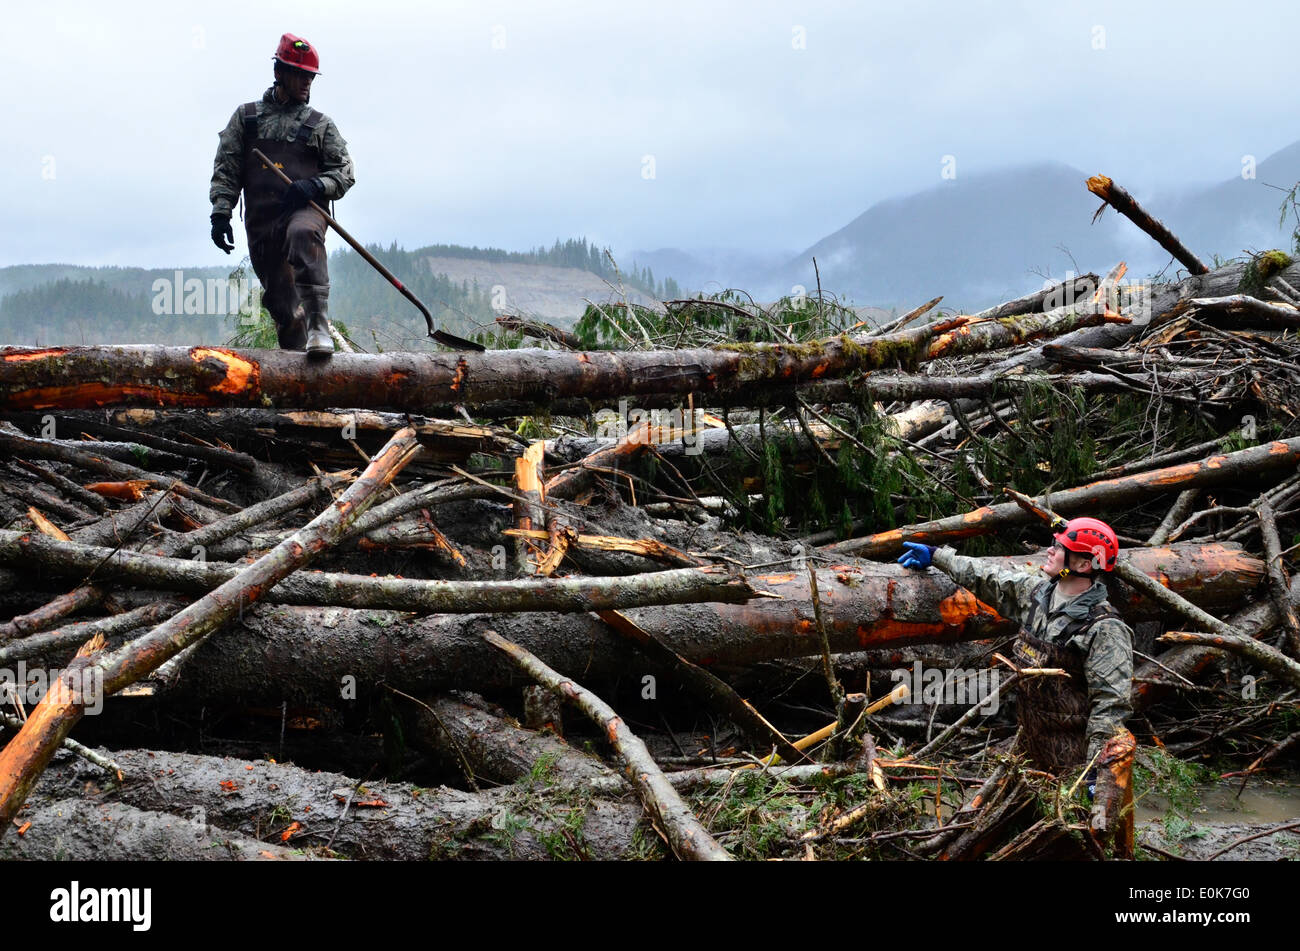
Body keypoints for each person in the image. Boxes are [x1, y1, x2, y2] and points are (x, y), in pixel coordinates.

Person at [897, 516, 1136, 851]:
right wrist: (937, 556)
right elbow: (987, 577)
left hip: (1072, 765)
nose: (1049, 551)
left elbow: (1110, 707)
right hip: (1028, 748)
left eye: (1060, 548)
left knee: (1069, 846)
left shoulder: (1104, 628)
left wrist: (1094, 776)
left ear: (1083, 563)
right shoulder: (1037, 593)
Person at [209, 33, 355, 357]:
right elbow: (227, 168)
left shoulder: (321, 125)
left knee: (303, 232)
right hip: (262, 222)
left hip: (306, 210)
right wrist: (221, 212)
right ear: (279, 73)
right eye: (300, 75)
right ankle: (297, 372)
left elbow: (345, 172)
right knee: (283, 305)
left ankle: (319, 327)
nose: (307, 83)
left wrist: (316, 186)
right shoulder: (245, 119)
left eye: (310, 77)